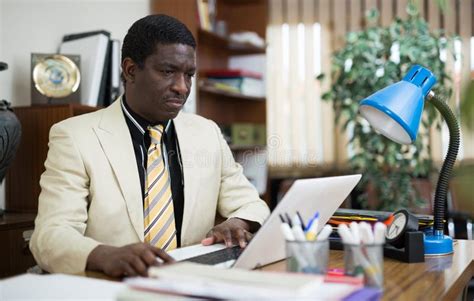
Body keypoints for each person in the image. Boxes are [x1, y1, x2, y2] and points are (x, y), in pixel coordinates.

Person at [30, 14, 270, 277]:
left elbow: (251, 203)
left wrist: (236, 222)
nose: (182, 87)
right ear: (131, 70)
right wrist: (105, 254)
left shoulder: (207, 133)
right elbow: (51, 234)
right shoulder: (75, 136)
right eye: (168, 72)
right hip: (113, 286)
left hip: (190, 283)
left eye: (189, 74)